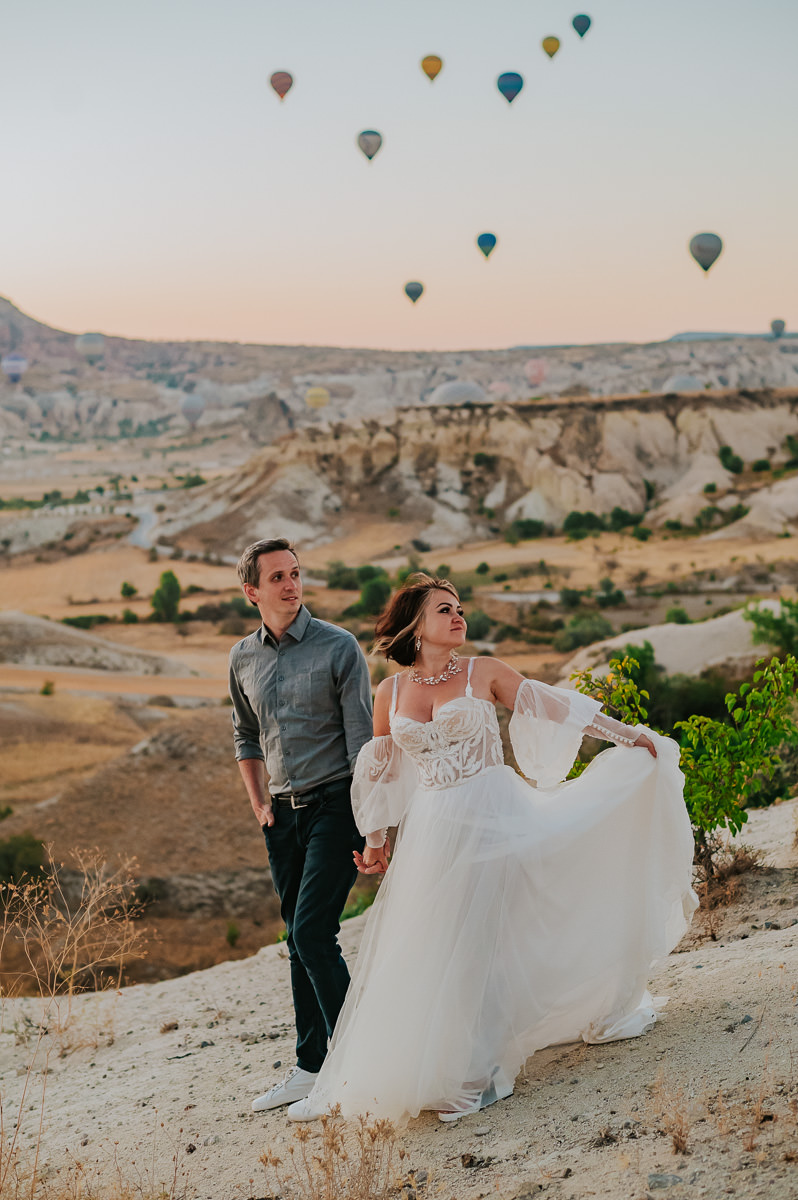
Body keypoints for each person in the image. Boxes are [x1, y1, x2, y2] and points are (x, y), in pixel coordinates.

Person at [287, 574, 697, 1124]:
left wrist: (627, 735)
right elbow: (384, 774)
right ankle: (442, 1064)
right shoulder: (390, 693)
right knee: (439, 943)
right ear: (415, 624)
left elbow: (550, 705)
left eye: (459, 609)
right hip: (433, 828)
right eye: (444, 610)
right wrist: (376, 844)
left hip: (492, 814)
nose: (458, 617)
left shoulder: (484, 672)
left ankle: (480, 1074)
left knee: (483, 939)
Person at [228, 538, 374, 1113]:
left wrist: (372, 825)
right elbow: (244, 733)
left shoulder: (339, 647)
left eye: (295, 574)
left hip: (336, 805)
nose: (291, 585)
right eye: (278, 578)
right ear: (252, 593)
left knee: (313, 932)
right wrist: (258, 803)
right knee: (296, 942)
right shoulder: (242, 657)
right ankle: (309, 1066)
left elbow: (363, 742)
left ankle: (354, 1063)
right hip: (280, 817)